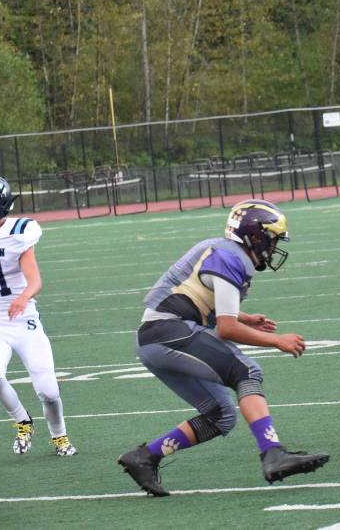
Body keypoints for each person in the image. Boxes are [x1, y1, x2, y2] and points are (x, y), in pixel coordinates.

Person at [117, 199, 328, 497]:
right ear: (254, 236)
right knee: (246, 370)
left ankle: (145, 457)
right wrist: (277, 341)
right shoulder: (228, 257)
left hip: (157, 337)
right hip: (167, 332)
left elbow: (198, 300)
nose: (274, 245)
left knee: (220, 414)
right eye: (272, 238)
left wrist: (245, 318)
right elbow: (226, 328)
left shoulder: (222, 250)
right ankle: (272, 452)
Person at [0, 174, 76, 456]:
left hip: (25, 322)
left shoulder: (19, 232)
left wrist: (23, 297)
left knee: (48, 391)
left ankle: (59, 436)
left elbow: (35, 280)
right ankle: (23, 421)